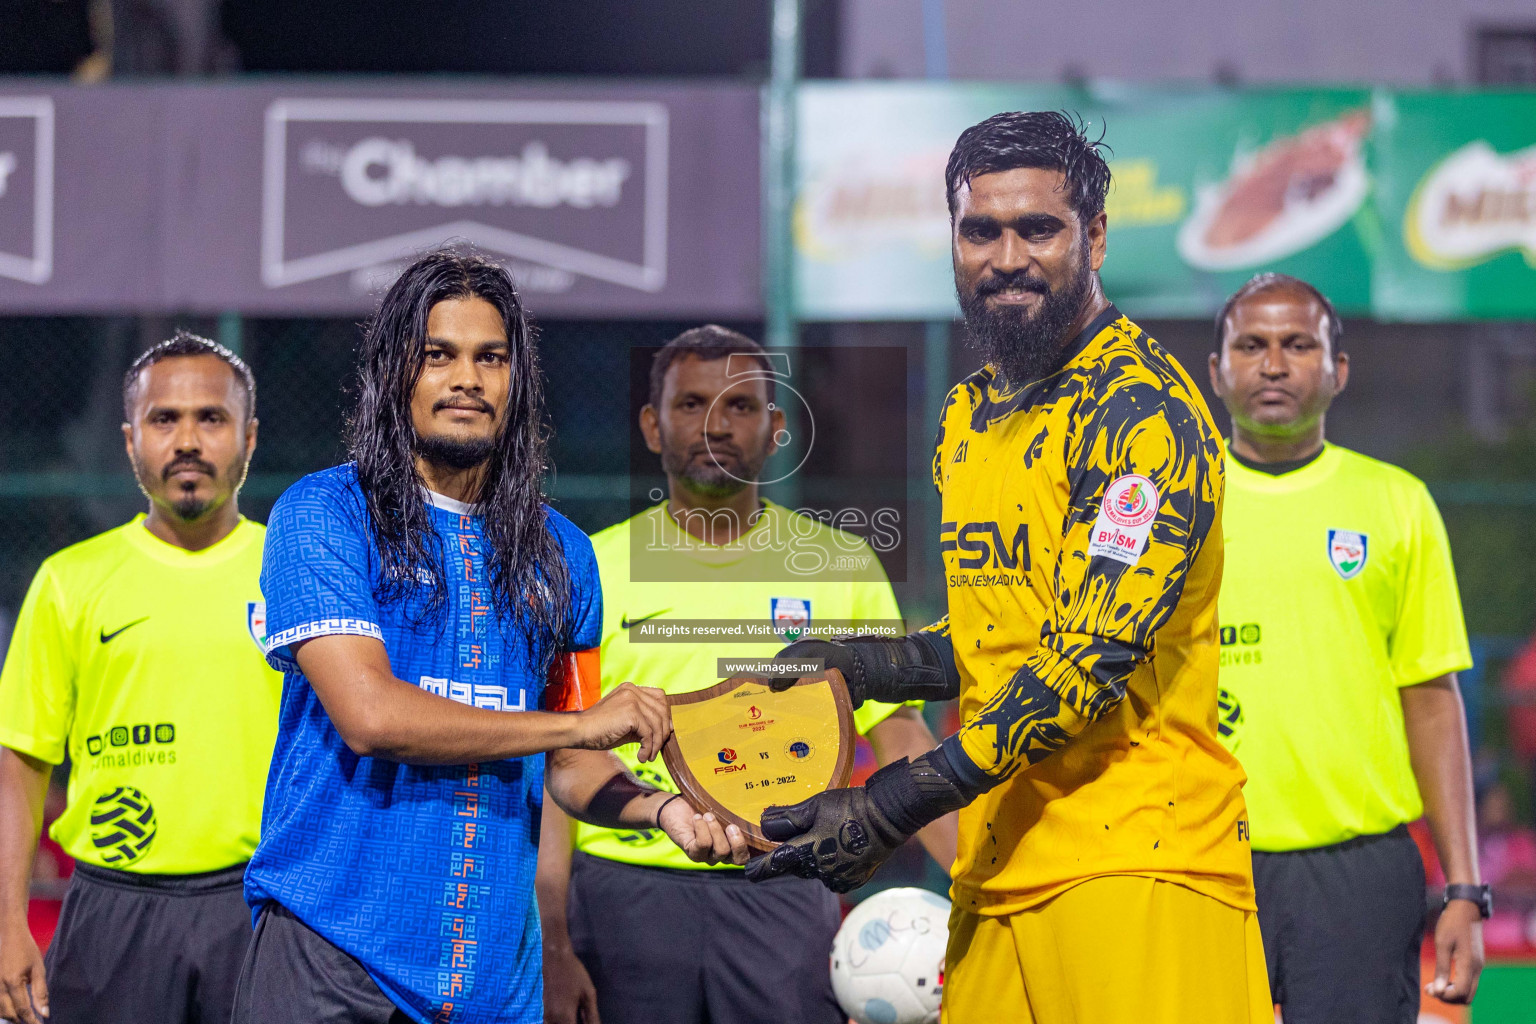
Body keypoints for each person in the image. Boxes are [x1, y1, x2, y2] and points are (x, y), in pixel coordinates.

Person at [751, 111, 1270, 1023]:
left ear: (1096, 236)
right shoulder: (969, 412)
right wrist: (869, 664)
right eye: (980, 230)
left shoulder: (1140, 411)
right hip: (998, 864)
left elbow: (1087, 658)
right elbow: (1008, 627)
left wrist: (892, 804)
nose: (1007, 257)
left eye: (1039, 228)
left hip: (1140, 862)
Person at [231, 252, 745, 1024]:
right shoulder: (323, 516)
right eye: (438, 354)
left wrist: (661, 810)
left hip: (492, 984)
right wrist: (575, 727)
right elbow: (370, 716)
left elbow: (571, 767)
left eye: (490, 358)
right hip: (331, 962)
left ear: (516, 381)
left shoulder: (565, 555)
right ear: (394, 372)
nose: (466, 378)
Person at [536, 326, 958, 1024]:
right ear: (651, 424)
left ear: (776, 427)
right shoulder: (593, 569)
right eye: (691, 403)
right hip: (624, 896)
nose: (715, 424)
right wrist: (553, 943)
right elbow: (560, 764)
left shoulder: (841, 564)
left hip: (788, 888)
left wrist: (978, 881)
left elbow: (901, 734)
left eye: (740, 406)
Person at [1208, 272, 1486, 1019]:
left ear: (1338, 371)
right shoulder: (1174, 507)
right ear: (1218, 370)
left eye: (1299, 345)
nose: (1274, 365)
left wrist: (1464, 887)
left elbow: (1431, 696)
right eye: (1252, 345)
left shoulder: (1397, 504)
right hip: (1199, 859)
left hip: (1358, 874)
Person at [0, 332, 280, 1024]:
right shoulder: (71, 581)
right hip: (111, 911)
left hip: (265, 904)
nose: (187, 440)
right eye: (165, 419)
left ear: (248, 437)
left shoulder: (300, 575)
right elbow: (22, 759)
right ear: (130, 440)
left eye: (210, 418)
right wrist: (7, 922)